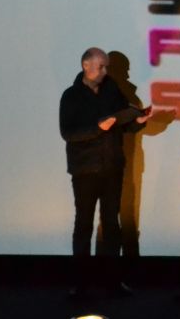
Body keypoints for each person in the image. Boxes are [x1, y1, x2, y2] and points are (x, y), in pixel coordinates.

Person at [60, 48, 151, 295]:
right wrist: (98, 128)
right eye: (101, 66)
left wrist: (138, 122)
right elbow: (68, 133)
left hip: (112, 166)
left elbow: (122, 123)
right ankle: (81, 284)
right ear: (86, 66)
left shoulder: (111, 89)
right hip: (85, 169)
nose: (105, 71)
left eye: (107, 66)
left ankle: (112, 281)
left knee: (111, 223)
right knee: (84, 224)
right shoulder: (71, 95)